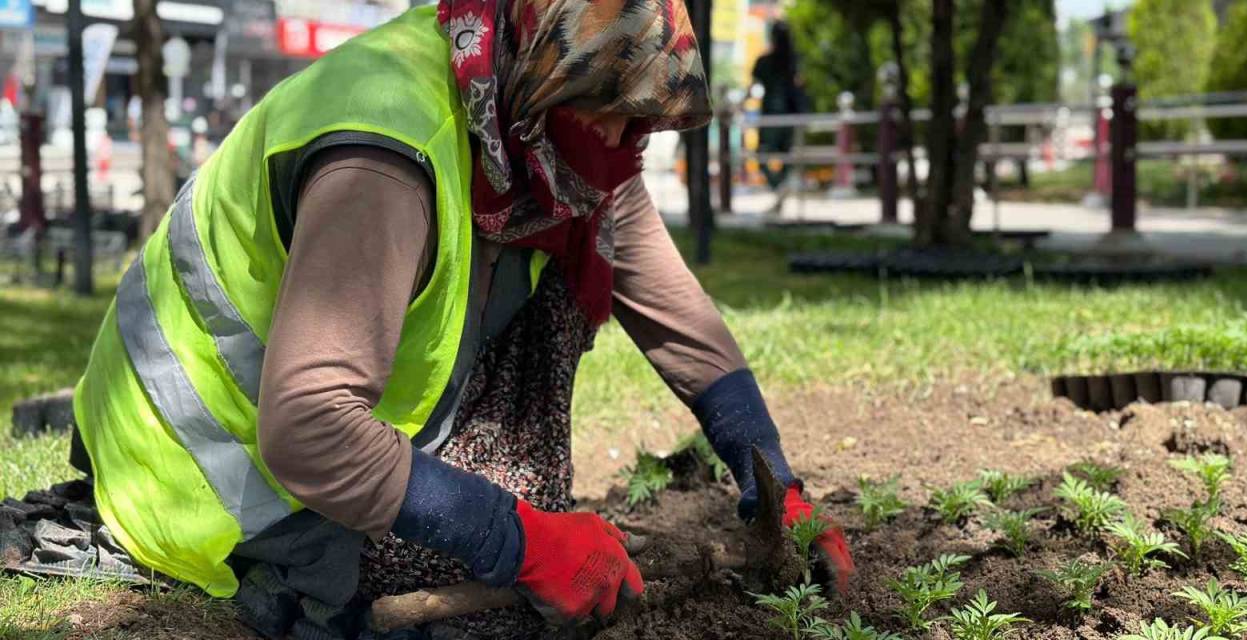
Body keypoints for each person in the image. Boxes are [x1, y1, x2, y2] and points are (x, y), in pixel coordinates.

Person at [69, 1, 853, 638]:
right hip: (202, 471)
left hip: (299, 427)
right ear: (544, 66)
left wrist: (775, 481)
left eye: (640, 121)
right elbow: (307, 428)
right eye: (607, 113)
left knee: (583, 236)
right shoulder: (387, 153)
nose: (620, 141)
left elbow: (678, 316)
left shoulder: (533, 121)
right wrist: (514, 540)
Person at [751, 20, 807, 213]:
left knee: (762, 155)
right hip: (792, 116)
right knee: (788, 156)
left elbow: (754, 85)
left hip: (770, 117)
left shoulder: (764, 62)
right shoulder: (796, 63)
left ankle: (778, 187)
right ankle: (781, 189)